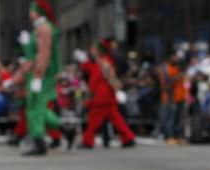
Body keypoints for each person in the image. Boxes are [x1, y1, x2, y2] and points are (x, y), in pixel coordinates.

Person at [22, 1, 66, 156]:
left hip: (42, 75)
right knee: (38, 107)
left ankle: (39, 142)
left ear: (38, 11)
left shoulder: (44, 28)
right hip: (40, 74)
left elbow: (44, 55)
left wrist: (38, 76)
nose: (30, 13)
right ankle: (65, 129)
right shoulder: (40, 28)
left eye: (31, 10)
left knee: (36, 108)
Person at [75, 41, 136, 149]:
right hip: (106, 96)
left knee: (93, 120)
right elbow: (93, 70)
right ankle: (128, 137)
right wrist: (85, 62)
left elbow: (94, 78)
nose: (91, 50)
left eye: (94, 48)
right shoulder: (103, 61)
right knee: (116, 119)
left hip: (101, 97)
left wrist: (90, 93)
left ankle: (87, 141)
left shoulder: (104, 61)